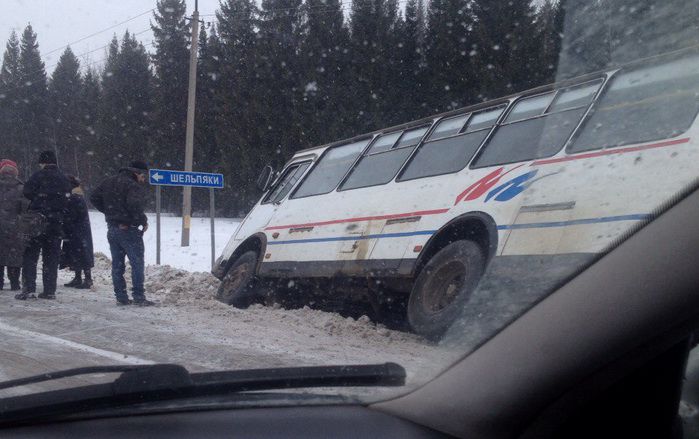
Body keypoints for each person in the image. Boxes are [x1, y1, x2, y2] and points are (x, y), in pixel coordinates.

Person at [90, 161, 154, 306]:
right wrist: (142, 221)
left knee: (117, 265)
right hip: (129, 229)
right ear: (137, 173)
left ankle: (121, 297)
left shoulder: (108, 181)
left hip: (112, 229)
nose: (144, 180)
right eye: (144, 176)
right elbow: (134, 205)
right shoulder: (132, 185)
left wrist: (109, 211)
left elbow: (93, 197)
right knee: (137, 263)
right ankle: (139, 296)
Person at [16, 151, 71, 300]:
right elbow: (68, 197)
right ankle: (49, 290)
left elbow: (27, 192)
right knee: (51, 257)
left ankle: (29, 289)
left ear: (43, 163)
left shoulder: (37, 176)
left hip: (37, 220)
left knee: (30, 255)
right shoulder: (64, 178)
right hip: (56, 221)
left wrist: (39, 200)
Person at [60, 176, 94, 289]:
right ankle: (79, 278)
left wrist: (65, 226)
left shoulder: (74, 198)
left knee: (81, 254)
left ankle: (87, 279)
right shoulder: (77, 196)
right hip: (80, 231)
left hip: (76, 231)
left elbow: (71, 216)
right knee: (79, 254)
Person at [0, 159, 26, 292]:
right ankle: (15, 282)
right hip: (15, 226)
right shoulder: (21, 188)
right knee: (14, 255)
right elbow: (25, 209)